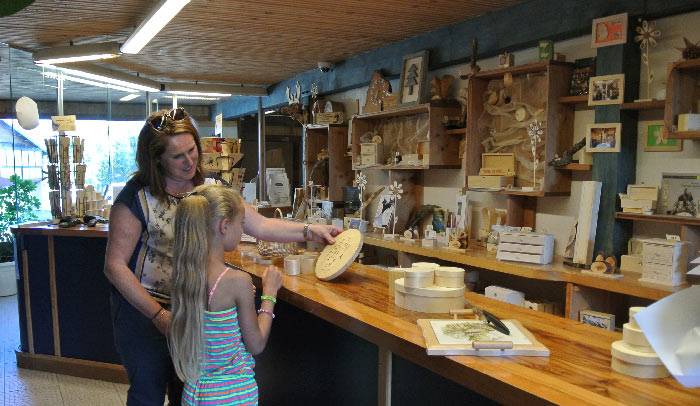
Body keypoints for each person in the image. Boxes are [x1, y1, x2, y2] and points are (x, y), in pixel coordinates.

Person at [104, 107, 340, 406]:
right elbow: (114, 266)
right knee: (147, 393)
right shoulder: (136, 197)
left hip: (192, 307)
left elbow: (260, 225)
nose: (189, 161)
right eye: (178, 156)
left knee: (186, 389)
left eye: (192, 150)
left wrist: (310, 231)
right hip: (146, 311)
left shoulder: (209, 190)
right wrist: (158, 315)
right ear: (156, 159)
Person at [170, 184, 281, 405]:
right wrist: (269, 294)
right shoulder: (238, 281)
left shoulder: (183, 275)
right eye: (241, 223)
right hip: (233, 395)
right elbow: (256, 344)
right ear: (224, 225)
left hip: (194, 393)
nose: (242, 230)